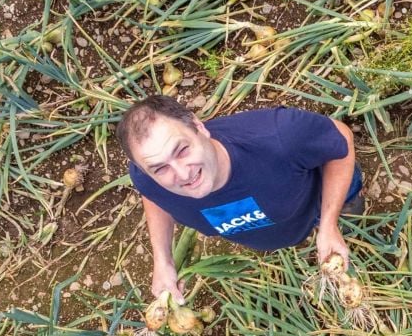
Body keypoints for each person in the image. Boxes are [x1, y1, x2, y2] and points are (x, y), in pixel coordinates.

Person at [116, 95, 363, 303]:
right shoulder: (147, 177)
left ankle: (344, 206)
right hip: (273, 229)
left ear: (198, 126)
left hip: (315, 198)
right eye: (160, 168)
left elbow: (340, 139)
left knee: (347, 194)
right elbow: (154, 196)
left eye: (182, 150)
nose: (183, 174)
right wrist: (163, 260)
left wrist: (329, 224)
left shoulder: (278, 136)